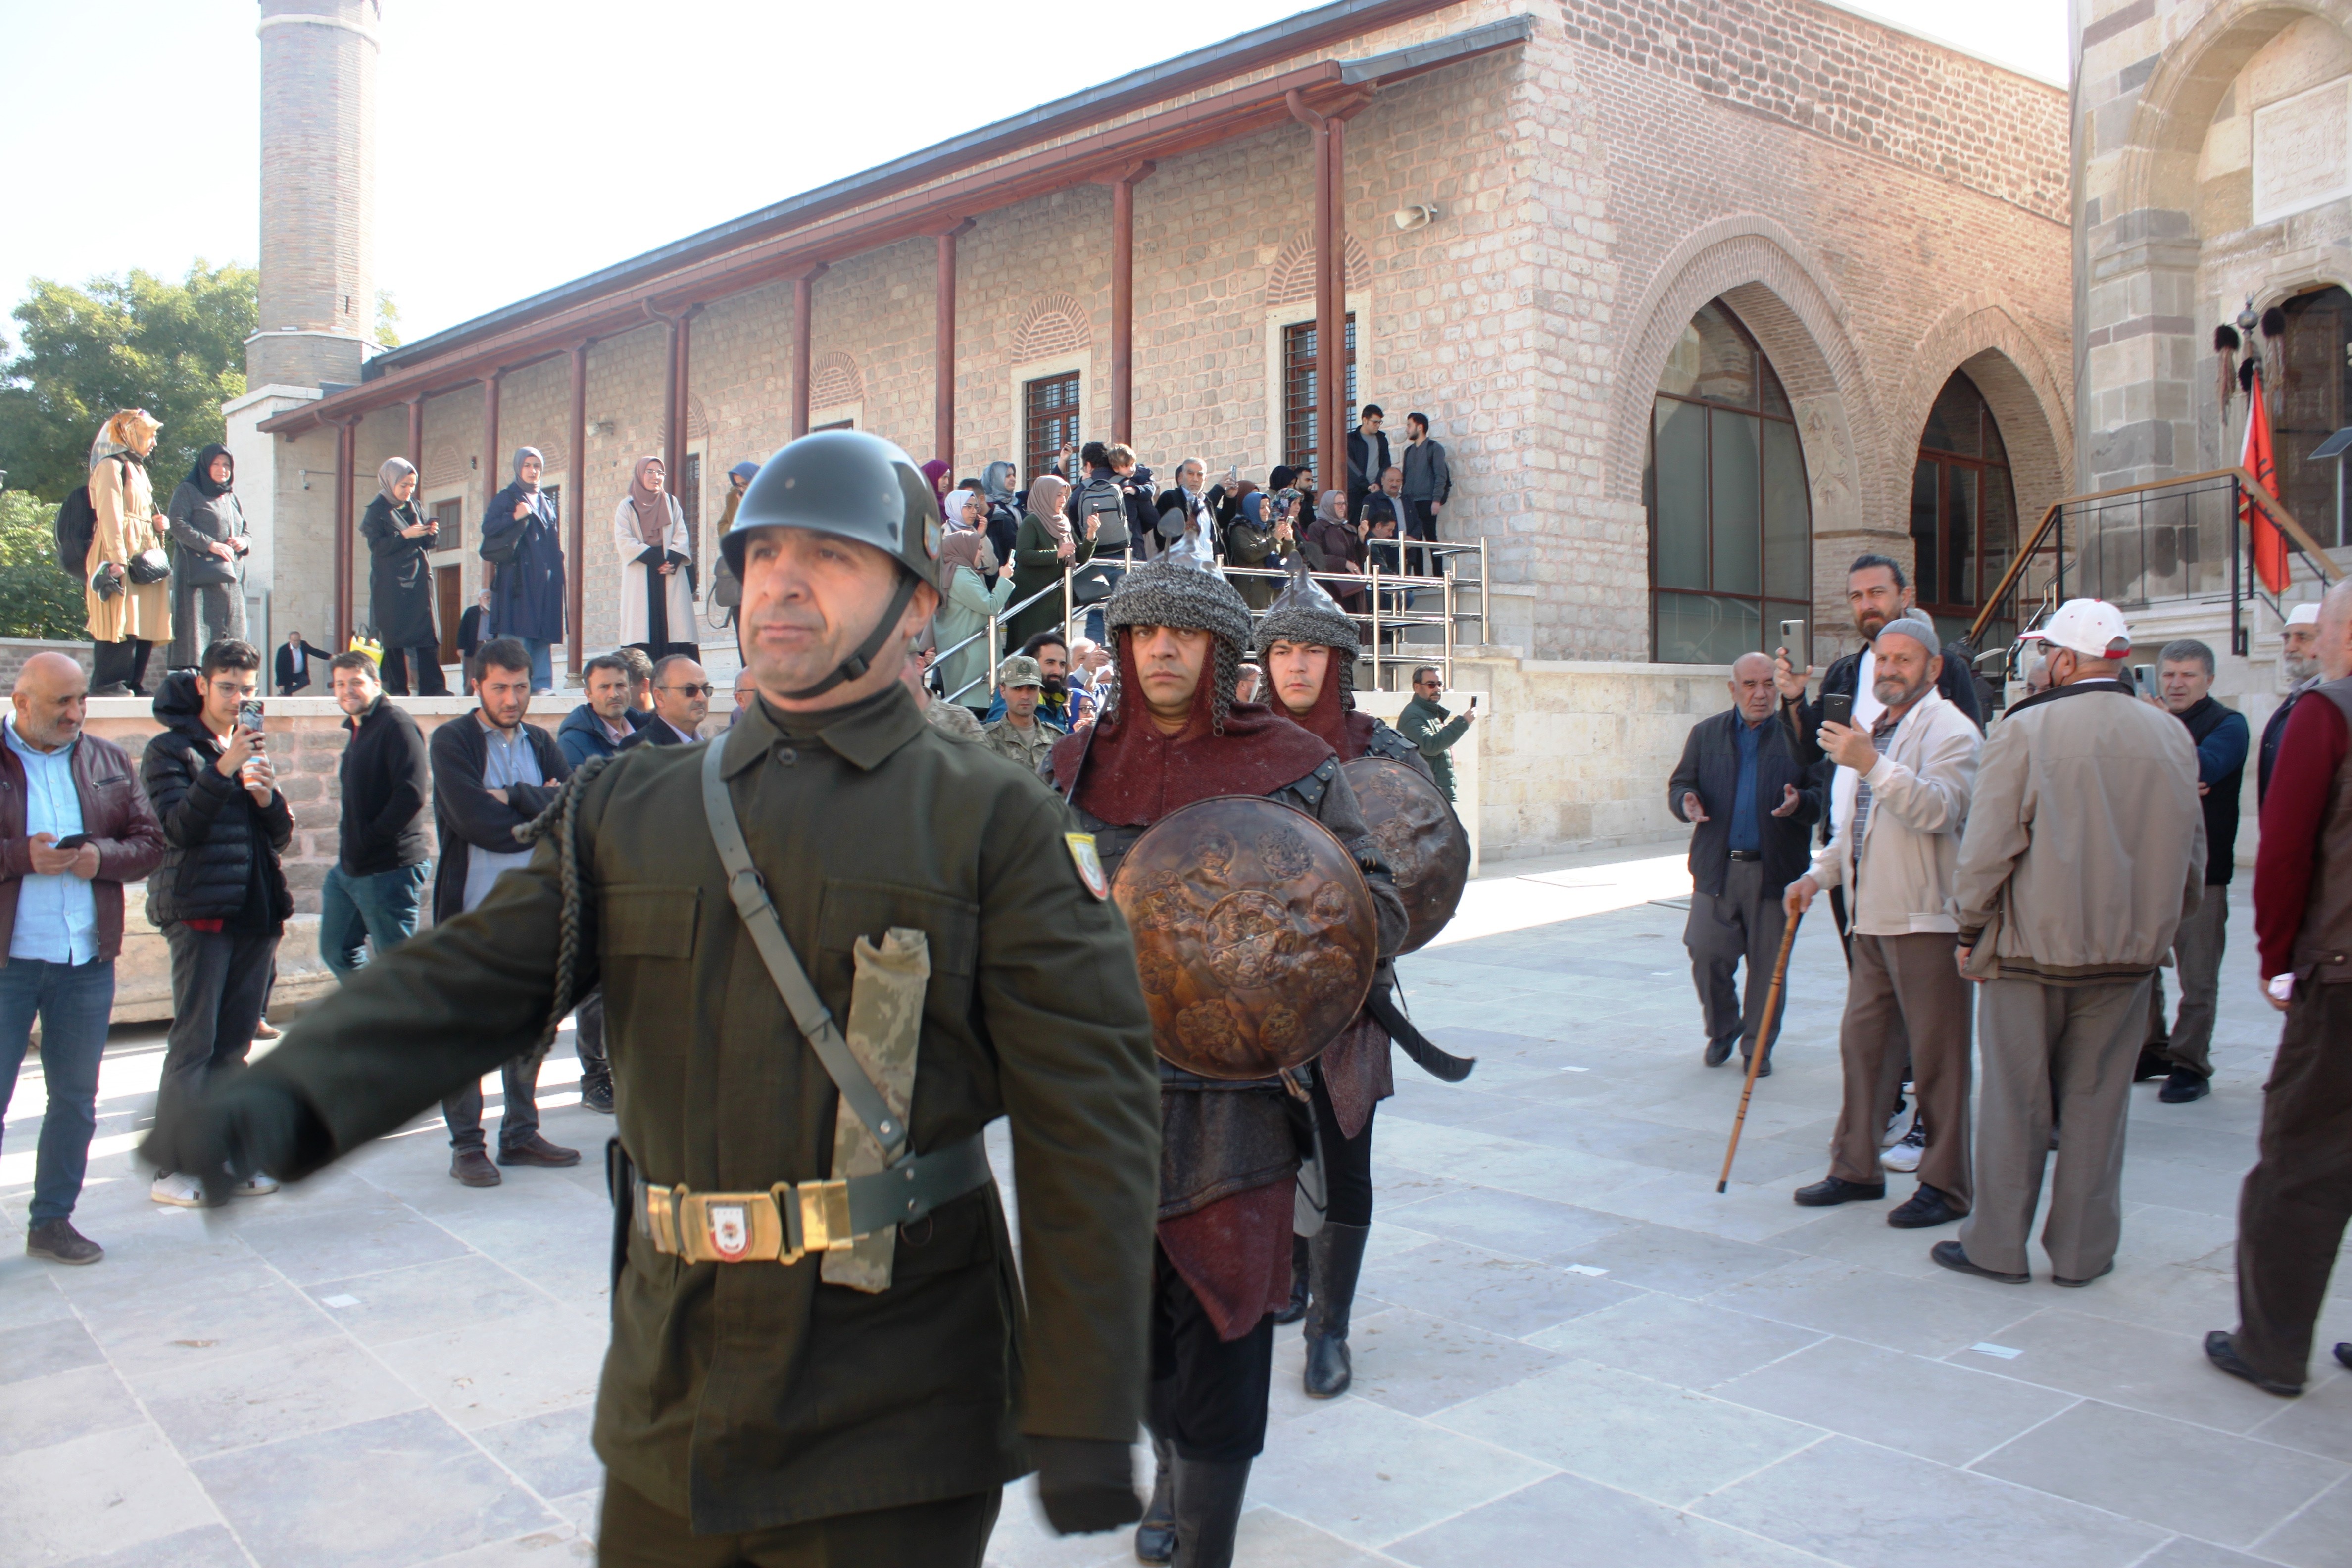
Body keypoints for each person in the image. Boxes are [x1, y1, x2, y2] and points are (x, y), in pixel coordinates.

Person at [142, 427, 1161, 1562]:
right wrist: (284, 1099)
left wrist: (1082, 1401)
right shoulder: (630, 806)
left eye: (829, 557)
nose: (778, 578)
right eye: (763, 551)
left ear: (918, 606)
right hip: (670, 1387)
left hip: (897, 1404)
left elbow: (1092, 1117)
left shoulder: (993, 818)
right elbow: (468, 979)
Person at [1047, 556, 1405, 1568]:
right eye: (1143, 633)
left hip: (1241, 1099)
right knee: (1137, 1340)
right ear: (1120, 649)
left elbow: (1375, 902)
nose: (1162, 649)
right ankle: (1168, 1464)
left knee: (1230, 1318)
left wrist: (1286, 932)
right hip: (1106, 1101)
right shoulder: (1071, 769)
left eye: (1185, 633)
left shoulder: (1291, 762)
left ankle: (1206, 1538)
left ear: (1218, 650)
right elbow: (1028, 918)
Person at [1940, 598, 2204, 1288]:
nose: (2036, 664)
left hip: (2032, 956)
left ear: (2064, 659)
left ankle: (1997, 1246)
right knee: (2099, 1107)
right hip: (2128, 959)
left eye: (2042, 652)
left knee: (2015, 1106)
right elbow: (2192, 862)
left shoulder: (2027, 730)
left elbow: (1988, 848)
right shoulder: (2172, 735)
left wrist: (1970, 928)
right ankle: (2084, 1253)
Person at [1255, 564, 1433, 1402]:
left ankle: (1330, 1323)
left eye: (1313, 650)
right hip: (1250, 989)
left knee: (1344, 1151)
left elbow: (1424, 853)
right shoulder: (1235, 741)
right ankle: (1289, 1277)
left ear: (1339, 659)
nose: (1296, 666)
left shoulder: (1377, 747)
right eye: (1281, 649)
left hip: (1350, 990)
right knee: (1263, 1150)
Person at [1783, 614, 1981, 1227]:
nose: (1891, 669)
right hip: (1869, 919)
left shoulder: (1955, 732)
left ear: (1933, 668)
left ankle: (1945, 1186)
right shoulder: (1876, 732)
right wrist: (1818, 875)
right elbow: (1860, 828)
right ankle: (1856, 1169)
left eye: (1905, 660)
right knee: (1864, 1047)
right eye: (1885, 661)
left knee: (1937, 1060)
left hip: (1926, 922)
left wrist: (1870, 763)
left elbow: (1937, 810)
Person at [2206, 577, 2352, 1397]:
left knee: (2298, 1167)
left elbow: (2286, 850)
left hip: (2338, 977)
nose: (2314, 645)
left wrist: (2274, 958)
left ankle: (2269, 1344)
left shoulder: (2326, 713)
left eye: (2319, 630)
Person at [0, 653, 164, 1263]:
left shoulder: (106, 759)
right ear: (21, 703)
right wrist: (19, 857)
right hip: (8, 963)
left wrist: (102, 858)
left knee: (75, 1099)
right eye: (61, 703)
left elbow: (149, 844)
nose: (76, 713)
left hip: (85, 960)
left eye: (80, 701)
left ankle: (52, 1222)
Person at [141, 639, 293, 1207]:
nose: (238, 699)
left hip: (256, 912)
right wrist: (222, 768)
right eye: (227, 687)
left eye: (248, 690)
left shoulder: (248, 749)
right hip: (202, 914)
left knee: (233, 1047)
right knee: (195, 1045)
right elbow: (177, 829)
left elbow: (278, 837)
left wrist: (265, 797)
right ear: (203, 685)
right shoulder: (170, 751)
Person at [428, 637, 577, 1186]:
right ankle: (467, 1146)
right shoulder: (453, 741)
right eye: (500, 688)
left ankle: (520, 1134)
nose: (513, 698)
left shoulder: (541, 740)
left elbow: (573, 809)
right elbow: (471, 820)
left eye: (521, 687)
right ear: (476, 686)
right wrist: (538, 799)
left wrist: (510, 795)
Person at [1667, 652, 1818, 1075]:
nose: (1761, 693)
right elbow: (1681, 782)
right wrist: (1686, 801)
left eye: (1769, 683)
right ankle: (1724, 1028)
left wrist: (1799, 803)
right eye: (1750, 685)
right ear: (1733, 690)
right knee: (1703, 949)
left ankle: (1757, 1049)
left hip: (1776, 873)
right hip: (1717, 870)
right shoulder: (1706, 734)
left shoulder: (1798, 738)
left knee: (1769, 968)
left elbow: (1820, 796)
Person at [2136, 638, 2248, 1105]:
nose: (2177, 683)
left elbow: (2207, 765)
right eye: (2170, 675)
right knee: (2140, 969)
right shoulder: (2142, 722)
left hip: (2204, 873)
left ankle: (2190, 1064)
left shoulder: (2228, 724)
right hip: (2146, 868)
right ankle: (2153, 1049)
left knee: (2197, 978)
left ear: (2209, 680)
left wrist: (2165, 741)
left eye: (2188, 675)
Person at [319, 649, 431, 983]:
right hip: (350, 868)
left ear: (377, 683)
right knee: (337, 950)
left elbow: (410, 794)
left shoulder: (396, 725)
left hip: (388, 869)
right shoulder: (359, 728)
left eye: (356, 682)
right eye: (340, 684)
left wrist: (370, 840)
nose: (347, 691)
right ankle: (373, 1018)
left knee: (398, 969)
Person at [85, 409, 173, 698]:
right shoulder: (110, 467)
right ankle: (108, 683)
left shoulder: (138, 468)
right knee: (119, 615)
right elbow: (110, 515)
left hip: (143, 552)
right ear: (129, 434)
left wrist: (157, 526)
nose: (154, 443)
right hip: (120, 550)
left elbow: (139, 513)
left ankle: (133, 681)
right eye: (149, 435)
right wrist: (116, 559)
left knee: (144, 617)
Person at [359, 457, 449, 696]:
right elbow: (377, 546)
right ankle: (397, 687)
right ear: (390, 483)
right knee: (393, 636)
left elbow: (427, 544)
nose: (409, 490)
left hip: (418, 578)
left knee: (427, 633)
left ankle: (433, 686)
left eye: (412, 485)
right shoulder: (377, 511)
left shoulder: (415, 506)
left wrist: (431, 533)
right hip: (390, 583)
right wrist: (404, 535)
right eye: (404, 485)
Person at [483, 447, 566, 694]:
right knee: (516, 633)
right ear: (519, 468)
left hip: (545, 578)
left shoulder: (546, 500)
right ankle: (511, 683)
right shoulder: (507, 498)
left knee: (542, 632)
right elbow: (488, 528)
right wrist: (514, 516)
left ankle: (540, 683)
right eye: (528, 466)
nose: (533, 471)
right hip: (517, 579)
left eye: (537, 466)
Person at [165, 443, 251, 670]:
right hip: (199, 578)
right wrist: (209, 544)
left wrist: (244, 542)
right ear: (205, 466)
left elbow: (246, 530)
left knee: (234, 635)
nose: (222, 469)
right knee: (199, 633)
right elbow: (177, 523)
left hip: (230, 577)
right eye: (216, 464)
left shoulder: (230, 496)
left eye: (227, 465)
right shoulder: (188, 490)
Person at [615, 456, 697, 663]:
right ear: (640, 475)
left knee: (676, 629)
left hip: (670, 571)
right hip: (642, 570)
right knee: (642, 629)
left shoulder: (671, 502)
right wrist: (655, 560)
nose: (656, 477)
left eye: (660, 472)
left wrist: (672, 560)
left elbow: (681, 534)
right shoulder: (627, 506)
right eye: (650, 472)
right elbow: (624, 539)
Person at [931, 528, 1014, 721]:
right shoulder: (960, 574)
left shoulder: (953, 571)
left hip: (963, 654)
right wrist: (1004, 579)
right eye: (978, 548)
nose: (982, 553)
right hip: (970, 658)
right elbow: (991, 605)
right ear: (964, 549)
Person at [1010, 474, 1093, 649]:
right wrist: (1056, 554)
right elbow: (1023, 555)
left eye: (1065, 495)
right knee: (1035, 650)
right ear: (1045, 495)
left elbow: (1080, 556)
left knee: (1056, 650)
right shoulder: (1032, 522)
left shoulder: (1064, 523)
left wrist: (1091, 534)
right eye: (1058, 495)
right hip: (1034, 600)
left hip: (1057, 600)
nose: (1063, 501)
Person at [2259, 601, 2323, 801]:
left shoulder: (2332, 699)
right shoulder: (2295, 697)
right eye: (2287, 638)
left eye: (2302, 638)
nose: (2290, 648)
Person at [983, 631, 1093, 731]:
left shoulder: (1059, 698)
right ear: (1031, 664)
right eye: (1050, 663)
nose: (1058, 671)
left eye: (1062, 664)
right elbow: (999, 739)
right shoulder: (1013, 696)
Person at [1398, 665, 1474, 802]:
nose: (1437, 689)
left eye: (1440, 684)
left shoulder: (1430, 713)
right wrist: (1463, 723)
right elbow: (1431, 745)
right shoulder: (1412, 715)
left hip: (1437, 795)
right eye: (1431, 685)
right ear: (1417, 687)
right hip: (1425, 797)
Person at [558, 653, 637, 767]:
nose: (614, 695)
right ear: (589, 695)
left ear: (630, 690)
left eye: (620, 686)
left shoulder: (647, 729)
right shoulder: (571, 743)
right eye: (604, 687)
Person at [980, 654, 1057, 772]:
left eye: (1032, 688)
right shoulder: (986, 739)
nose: (1025, 696)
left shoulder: (1056, 738)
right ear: (1002, 691)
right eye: (1017, 688)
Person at [1299, 489, 1367, 616]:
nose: (1343, 507)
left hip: (1352, 589)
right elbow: (1316, 557)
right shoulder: (1317, 528)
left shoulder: (1349, 528)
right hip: (1330, 588)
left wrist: (1362, 538)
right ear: (1329, 506)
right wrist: (1344, 563)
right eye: (1338, 504)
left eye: (1344, 503)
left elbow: (1359, 560)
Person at [620, 654, 711, 748]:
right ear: (660, 697)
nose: (702, 698)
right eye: (690, 690)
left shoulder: (712, 747)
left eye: (705, 689)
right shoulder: (640, 746)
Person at [1400, 412, 1451, 577]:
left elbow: (1440, 476)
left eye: (1409, 425)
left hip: (1427, 501)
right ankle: (1418, 576)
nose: (1407, 429)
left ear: (1419, 427)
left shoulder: (1434, 449)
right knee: (1414, 540)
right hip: (1410, 502)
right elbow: (1405, 477)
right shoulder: (1408, 452)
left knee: (1430, 538)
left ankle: (1437, 576)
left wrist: (1436, 500)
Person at [1225, 490, 1291, 612]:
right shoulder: (1240, 530)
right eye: (1262, 507)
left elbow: (1286, 560)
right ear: (1252, 508)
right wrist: (1275, 539)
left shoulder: (1268, 531)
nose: (1267, 511)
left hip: (1272, 596)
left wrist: (1288, 541)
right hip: (1251, 597)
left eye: (1268, 506)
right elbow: (1251, 555)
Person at [903, 644, 985, 741]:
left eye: (894, 667)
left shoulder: (961, 721)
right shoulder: (882, 722)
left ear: (918, 665)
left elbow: (983, 756)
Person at [1156, 458, 1221, 571]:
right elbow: (1161, 537)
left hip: (1208, 568)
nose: (1195, 479)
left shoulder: (1206, 503)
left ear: (1205, 479)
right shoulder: (1170, 498)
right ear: (1181, 477)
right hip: (1181, 568)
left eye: (1200, 475)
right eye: (1191, 474)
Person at [1345, 403, 1390, 521]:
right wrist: (1367, 485)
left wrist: (1378, 484)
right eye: (1375, 422)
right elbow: (1350, 466)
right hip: (1356, 492)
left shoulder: (1382, 440)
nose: (1378, 425)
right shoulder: (1351, 439)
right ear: (1365, 420)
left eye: (1380, 422)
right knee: (1356, 525)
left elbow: (1386, 464)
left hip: (1377, 491)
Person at [274, 629, 335, 696]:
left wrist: (330, 657)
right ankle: (286, 693)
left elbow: (315, 652)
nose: (297, 643)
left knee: (305, 680)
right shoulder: (283, 650)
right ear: (290, 641)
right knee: (287, 696)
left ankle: (287, 692)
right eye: (294, 641)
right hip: (287, 675)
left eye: (298, 640)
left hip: (299, 674)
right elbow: (279, 668)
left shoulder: (303, 645)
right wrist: (281, 684)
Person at [456, 589, 492, 692]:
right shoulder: (471, 612)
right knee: (470, 675)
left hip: (491, 646)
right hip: (475, 646)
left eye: (491, 598)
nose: (490, 601)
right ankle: (467, 696)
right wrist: (461, 648)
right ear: (480, 599)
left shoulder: (495, 613)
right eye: (487, 598)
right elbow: (462, 630)